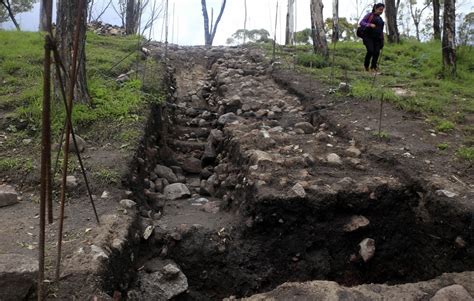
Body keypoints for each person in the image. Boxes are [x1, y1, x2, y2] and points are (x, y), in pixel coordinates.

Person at [359, 3, 385, 72]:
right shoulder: (369, 15)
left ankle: (373, 67)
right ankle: (366, 66)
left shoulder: (380, 19)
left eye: (382, 10)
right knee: (370, 51)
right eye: (380, 9)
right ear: (375, 9)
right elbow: (361, 22)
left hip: (377, 38)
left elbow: (381, 31)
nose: (381, 11)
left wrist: (382, 40)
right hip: (368, 37)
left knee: (377, 52)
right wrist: (369, 24)